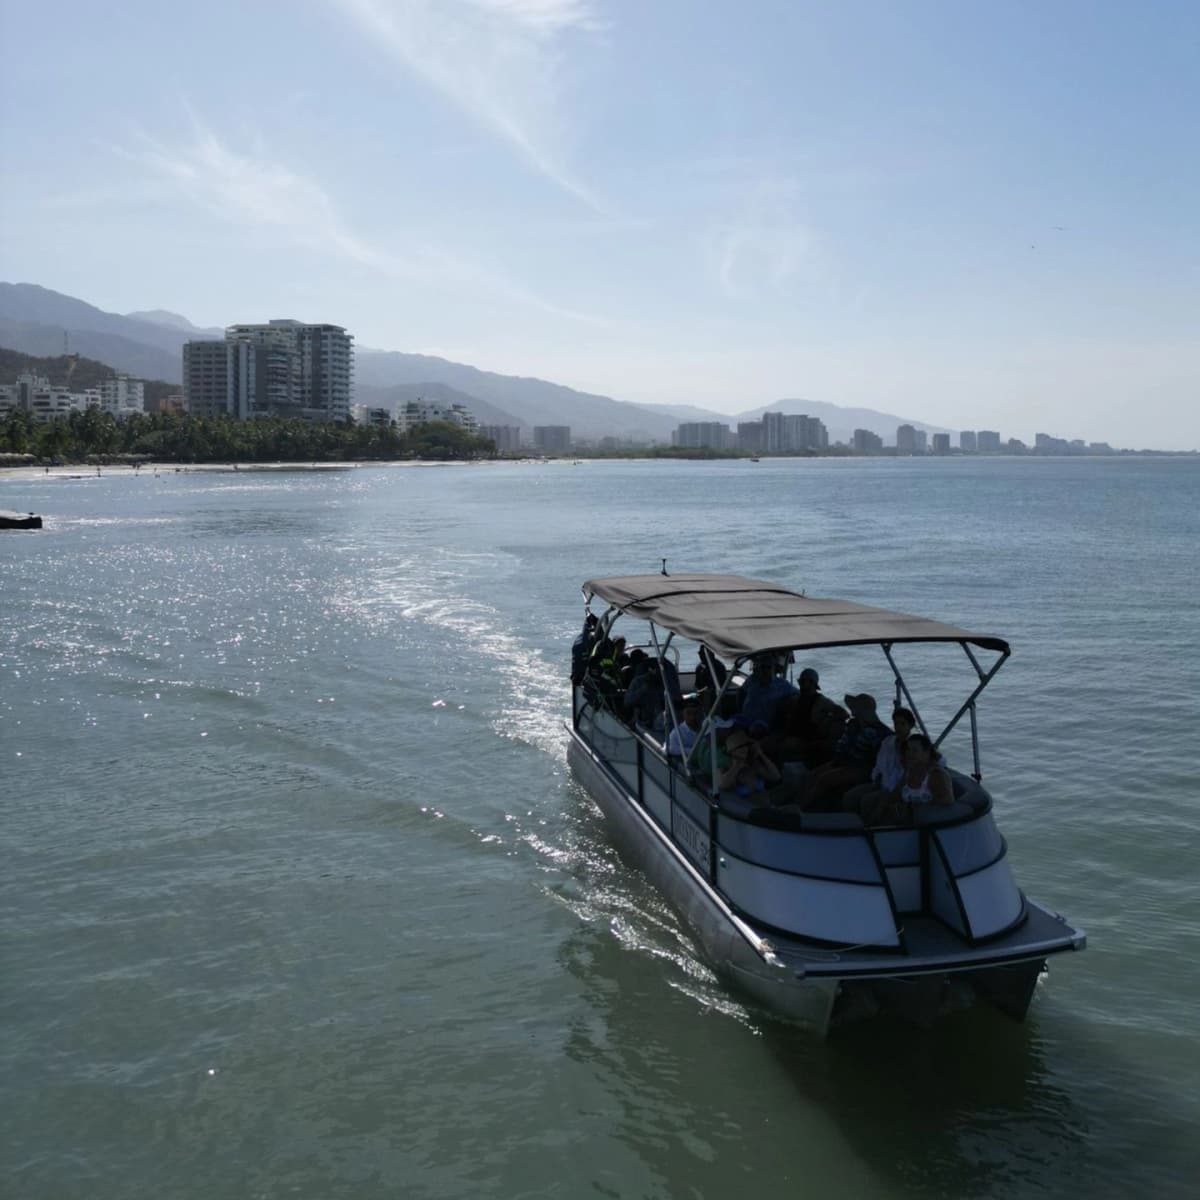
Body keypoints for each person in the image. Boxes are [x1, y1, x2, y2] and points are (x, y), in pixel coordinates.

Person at [799, 693, 890, 810]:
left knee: (823, 779)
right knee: (811, 775)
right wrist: (837, 762)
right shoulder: (853, 725)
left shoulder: (881, 732)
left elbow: (878, 759)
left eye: (856, 708)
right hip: (844, 762)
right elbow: (842, 746)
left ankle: (804, 808)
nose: (853, 711)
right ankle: (802, 802)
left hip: (863, 768)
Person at [842, 707, 915, 822]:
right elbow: (879, 765)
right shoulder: (888, 742)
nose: (898, 727)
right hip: (881, 783)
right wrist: (876, 780)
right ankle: (851, 824)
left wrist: (892, 792)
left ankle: (869, 828)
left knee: (867, 801)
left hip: (899, 789)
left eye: (902, 724)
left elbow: (911, 773)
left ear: (910, 725)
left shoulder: (915, 746)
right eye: (896, 724)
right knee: (849, 796)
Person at [738, 655, 797, 730]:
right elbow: (741, 692)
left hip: (764, 727)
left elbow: (797, 694)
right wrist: (739, 710)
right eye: (763, 667)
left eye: (768, 667)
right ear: (758, 668)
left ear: (774, 669)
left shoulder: (782, 684)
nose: (765, 670)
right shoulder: (752, 679)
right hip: (744, 721)